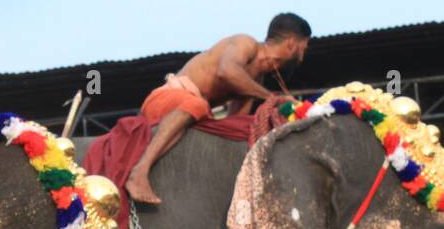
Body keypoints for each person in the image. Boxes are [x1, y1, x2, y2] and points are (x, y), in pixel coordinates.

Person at [125, 13, 311, 205]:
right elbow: (227, 71)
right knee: (199, 105)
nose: (304, 53)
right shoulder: (245, 43)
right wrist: (272, 98)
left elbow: (232, 122)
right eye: (304, 46)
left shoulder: (255, 82)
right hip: (164, 100)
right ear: (291, 44)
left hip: (192, 114)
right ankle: (139, 173)